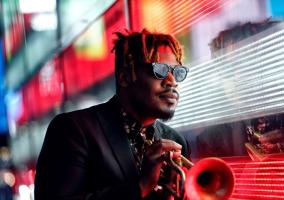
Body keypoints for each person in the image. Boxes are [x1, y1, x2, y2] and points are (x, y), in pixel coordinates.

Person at [34, 29, 190, 200]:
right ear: (124, 77)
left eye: (177, 72)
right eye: (160, 70)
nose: (172, 81)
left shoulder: (177, 140)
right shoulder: (71, 129)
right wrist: (141, 186)